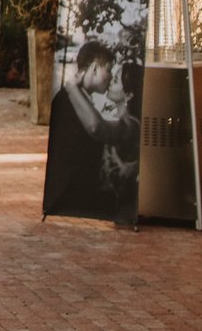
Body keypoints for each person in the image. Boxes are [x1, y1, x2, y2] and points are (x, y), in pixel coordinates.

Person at [42, 39, 137, 217]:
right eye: (108, 70)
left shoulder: (78, 100)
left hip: (83, 198)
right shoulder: (68, 101)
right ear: (94, 68)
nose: (109, 77)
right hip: (71, 197)